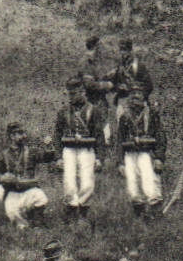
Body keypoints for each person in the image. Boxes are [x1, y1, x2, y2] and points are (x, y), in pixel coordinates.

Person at [54, 77, 106, 224]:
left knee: (88, 183)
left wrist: (99, 158)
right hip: (69, 149)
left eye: (74, 93)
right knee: (69, 183)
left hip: (87, 149)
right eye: (69, 94)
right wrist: (58, 156)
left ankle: (83, 213)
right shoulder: (64, 111)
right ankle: (70, 211)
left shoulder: (93, 111)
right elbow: (57, 134)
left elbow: (99, 136)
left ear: (83, 92)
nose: (71, 97)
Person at [0, 123, 56, 228]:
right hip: (12, 193)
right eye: (20, 133)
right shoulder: (4, 155)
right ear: (12, 136)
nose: (24, 136)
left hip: (29, 190)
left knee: (40, 196)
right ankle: (24, 225)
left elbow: (46, 157)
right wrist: (2, 177)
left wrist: (49, 146)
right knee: (12, 214)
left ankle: (37, 223)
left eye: (24, 133)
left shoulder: (31, 151)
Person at [116, 86, 165, 215]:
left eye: (139, 93)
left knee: (149, 183)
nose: (135, 96)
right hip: (129, 153)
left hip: (146, 153)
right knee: (132, 186)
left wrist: (159, 157)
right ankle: (140, 216)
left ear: (144, 96)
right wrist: (120, 162)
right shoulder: (125, 117)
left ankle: (155, 214)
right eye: (132, 93)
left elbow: (160, 136)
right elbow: (120, 139)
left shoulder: (152, 114)